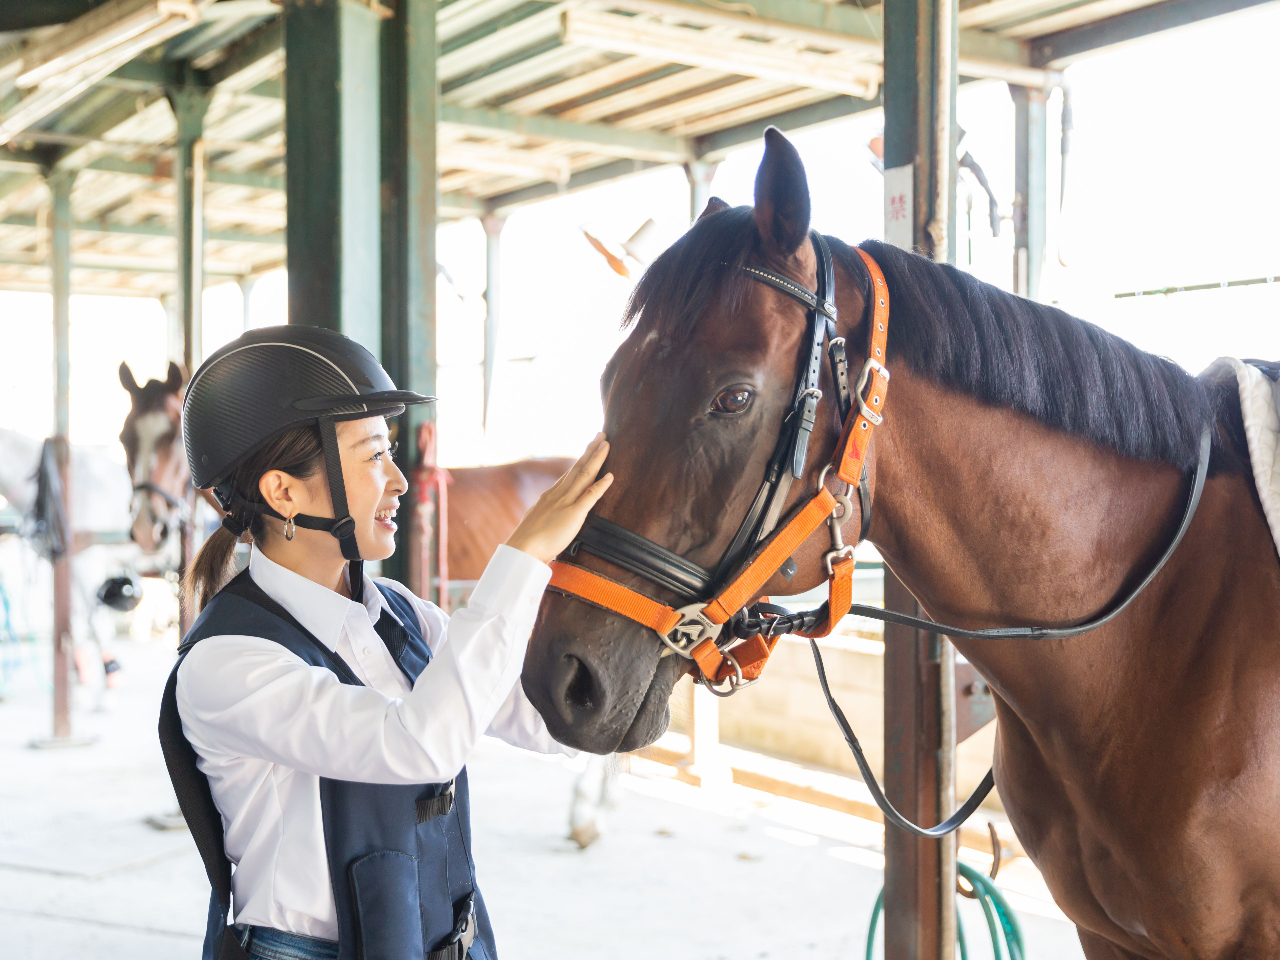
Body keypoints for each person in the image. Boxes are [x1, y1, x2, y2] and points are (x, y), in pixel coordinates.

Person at [158, 325, 611, 960]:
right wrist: (522, 555)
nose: (398, 480)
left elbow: (549, 721)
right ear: (282, 492)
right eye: (373, 456)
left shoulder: (399, 617)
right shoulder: (227, 664)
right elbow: (418, 745)